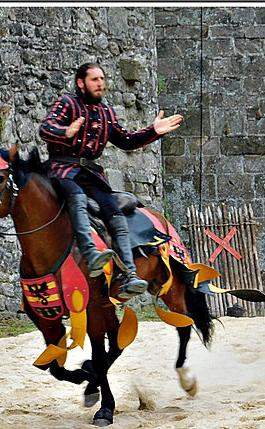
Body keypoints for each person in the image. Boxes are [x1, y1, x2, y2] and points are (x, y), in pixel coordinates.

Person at [39, 62, 183, 300]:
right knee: (75, 196)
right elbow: (46, 128)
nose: (100, 84)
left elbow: (125, 140)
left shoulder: (105, 112)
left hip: (91, 175)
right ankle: (91, 254)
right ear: (80, 83)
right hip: (62, 170)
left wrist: (153, 131)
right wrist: (65, 132)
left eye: (102, 79)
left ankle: (129, 274)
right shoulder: (67, 103)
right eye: (94, 79)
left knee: (113, 210)